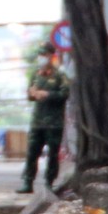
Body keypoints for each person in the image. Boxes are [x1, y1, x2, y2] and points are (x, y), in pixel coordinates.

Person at [19, 41, 71, 194]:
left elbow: (64, 94)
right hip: (37, 121)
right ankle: (27, 182)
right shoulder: (35, 74)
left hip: (54, 123)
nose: (41, 58)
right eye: (40, 55)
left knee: (53, 154)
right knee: (31, 153)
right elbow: (29, 95)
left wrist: (47, 94)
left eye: (44, 55)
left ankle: (49, 182)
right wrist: (32, 93)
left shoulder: (60, 75)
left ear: (50, 56)